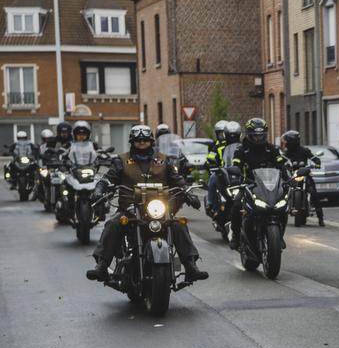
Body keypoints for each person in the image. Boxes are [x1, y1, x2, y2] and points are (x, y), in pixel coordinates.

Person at [86, 125, 207, 283]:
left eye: (145, 140)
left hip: (159, 208)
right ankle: (102, 266)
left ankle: (191, 266)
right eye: (138, 140)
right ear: (132, 142)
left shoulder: (163, 159)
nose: (142, 142)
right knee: (113, 224)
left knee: (178, 224)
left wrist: (187, 192)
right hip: (130, 208)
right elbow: (108, 178)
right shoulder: (121, 160)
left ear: (151, 141)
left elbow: (177, 179)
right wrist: (99, 190)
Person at [228, 117, 287, 248]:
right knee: (237, 205)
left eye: (261, 135)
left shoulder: (271, 148)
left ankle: (279, 236)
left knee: (282, 206)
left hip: (268, 185)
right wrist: (235, 176)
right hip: (249, 185)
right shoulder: (242, 149)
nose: (258, 138)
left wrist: (287, 173)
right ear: (249, 135)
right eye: (255, 136)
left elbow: (280, 162)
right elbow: (236, 163)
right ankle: (236, 236)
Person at [280, 129, 325, 226]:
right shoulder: (287, 152)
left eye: (287, 141)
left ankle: (320, 218)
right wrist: (280, 164)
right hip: (293, 174)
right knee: (283, 190)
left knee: (313, 192)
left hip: (305, 174)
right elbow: (281, 160)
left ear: (292, 141)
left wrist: (317, 163)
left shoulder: (304, 150)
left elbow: (314, 158)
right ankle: (279, 214)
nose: (286, 143)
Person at [205, 121, 241, 215]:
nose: (222, 136)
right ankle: (210, 203)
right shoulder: (218, 146)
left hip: (236, 170)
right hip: (221, 170)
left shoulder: (239, 146)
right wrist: (211, 163)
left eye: (223, 134)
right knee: (213, 178)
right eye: (220, 134)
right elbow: (211, 157)